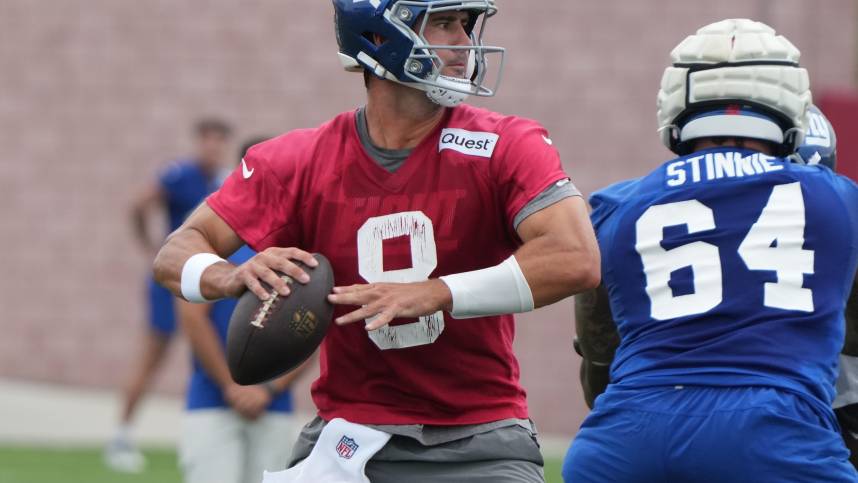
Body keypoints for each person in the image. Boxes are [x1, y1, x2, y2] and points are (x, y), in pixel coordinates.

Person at [153, 1, 601, 482]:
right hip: (347, 438)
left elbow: (576, 258)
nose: (465, 42)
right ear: (379, 37)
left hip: (479, 439)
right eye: (445, 24)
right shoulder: (298, 159)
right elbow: (175, 254)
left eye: (467, 26)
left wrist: (436, 292)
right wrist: (228, 274)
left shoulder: (507, 143)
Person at [563, 18, 858, 482]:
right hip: (775, 435)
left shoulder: (613, 206)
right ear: (794, 104)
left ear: (673, 101)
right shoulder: (841, 198)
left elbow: (599, 367)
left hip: (625, 440)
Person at [104, 118, 233, 473]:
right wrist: (150, 246)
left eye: (219, 140)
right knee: (151, 358)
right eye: (208, 139)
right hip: (174, 280)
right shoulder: (180, 174)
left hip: (207, 280)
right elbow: (140, 203)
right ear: (198, 141)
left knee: (213, 350)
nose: (213, 147)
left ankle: (212, 431)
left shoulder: (223, 180)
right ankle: (121, 435)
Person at [178, 238, 309, 483]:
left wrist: (269, 389)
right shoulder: (213, 239)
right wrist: (231, 385)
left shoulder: (295, 240)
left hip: (273, 405)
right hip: (211, 399)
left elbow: (311, 331)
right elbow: (192, 318)